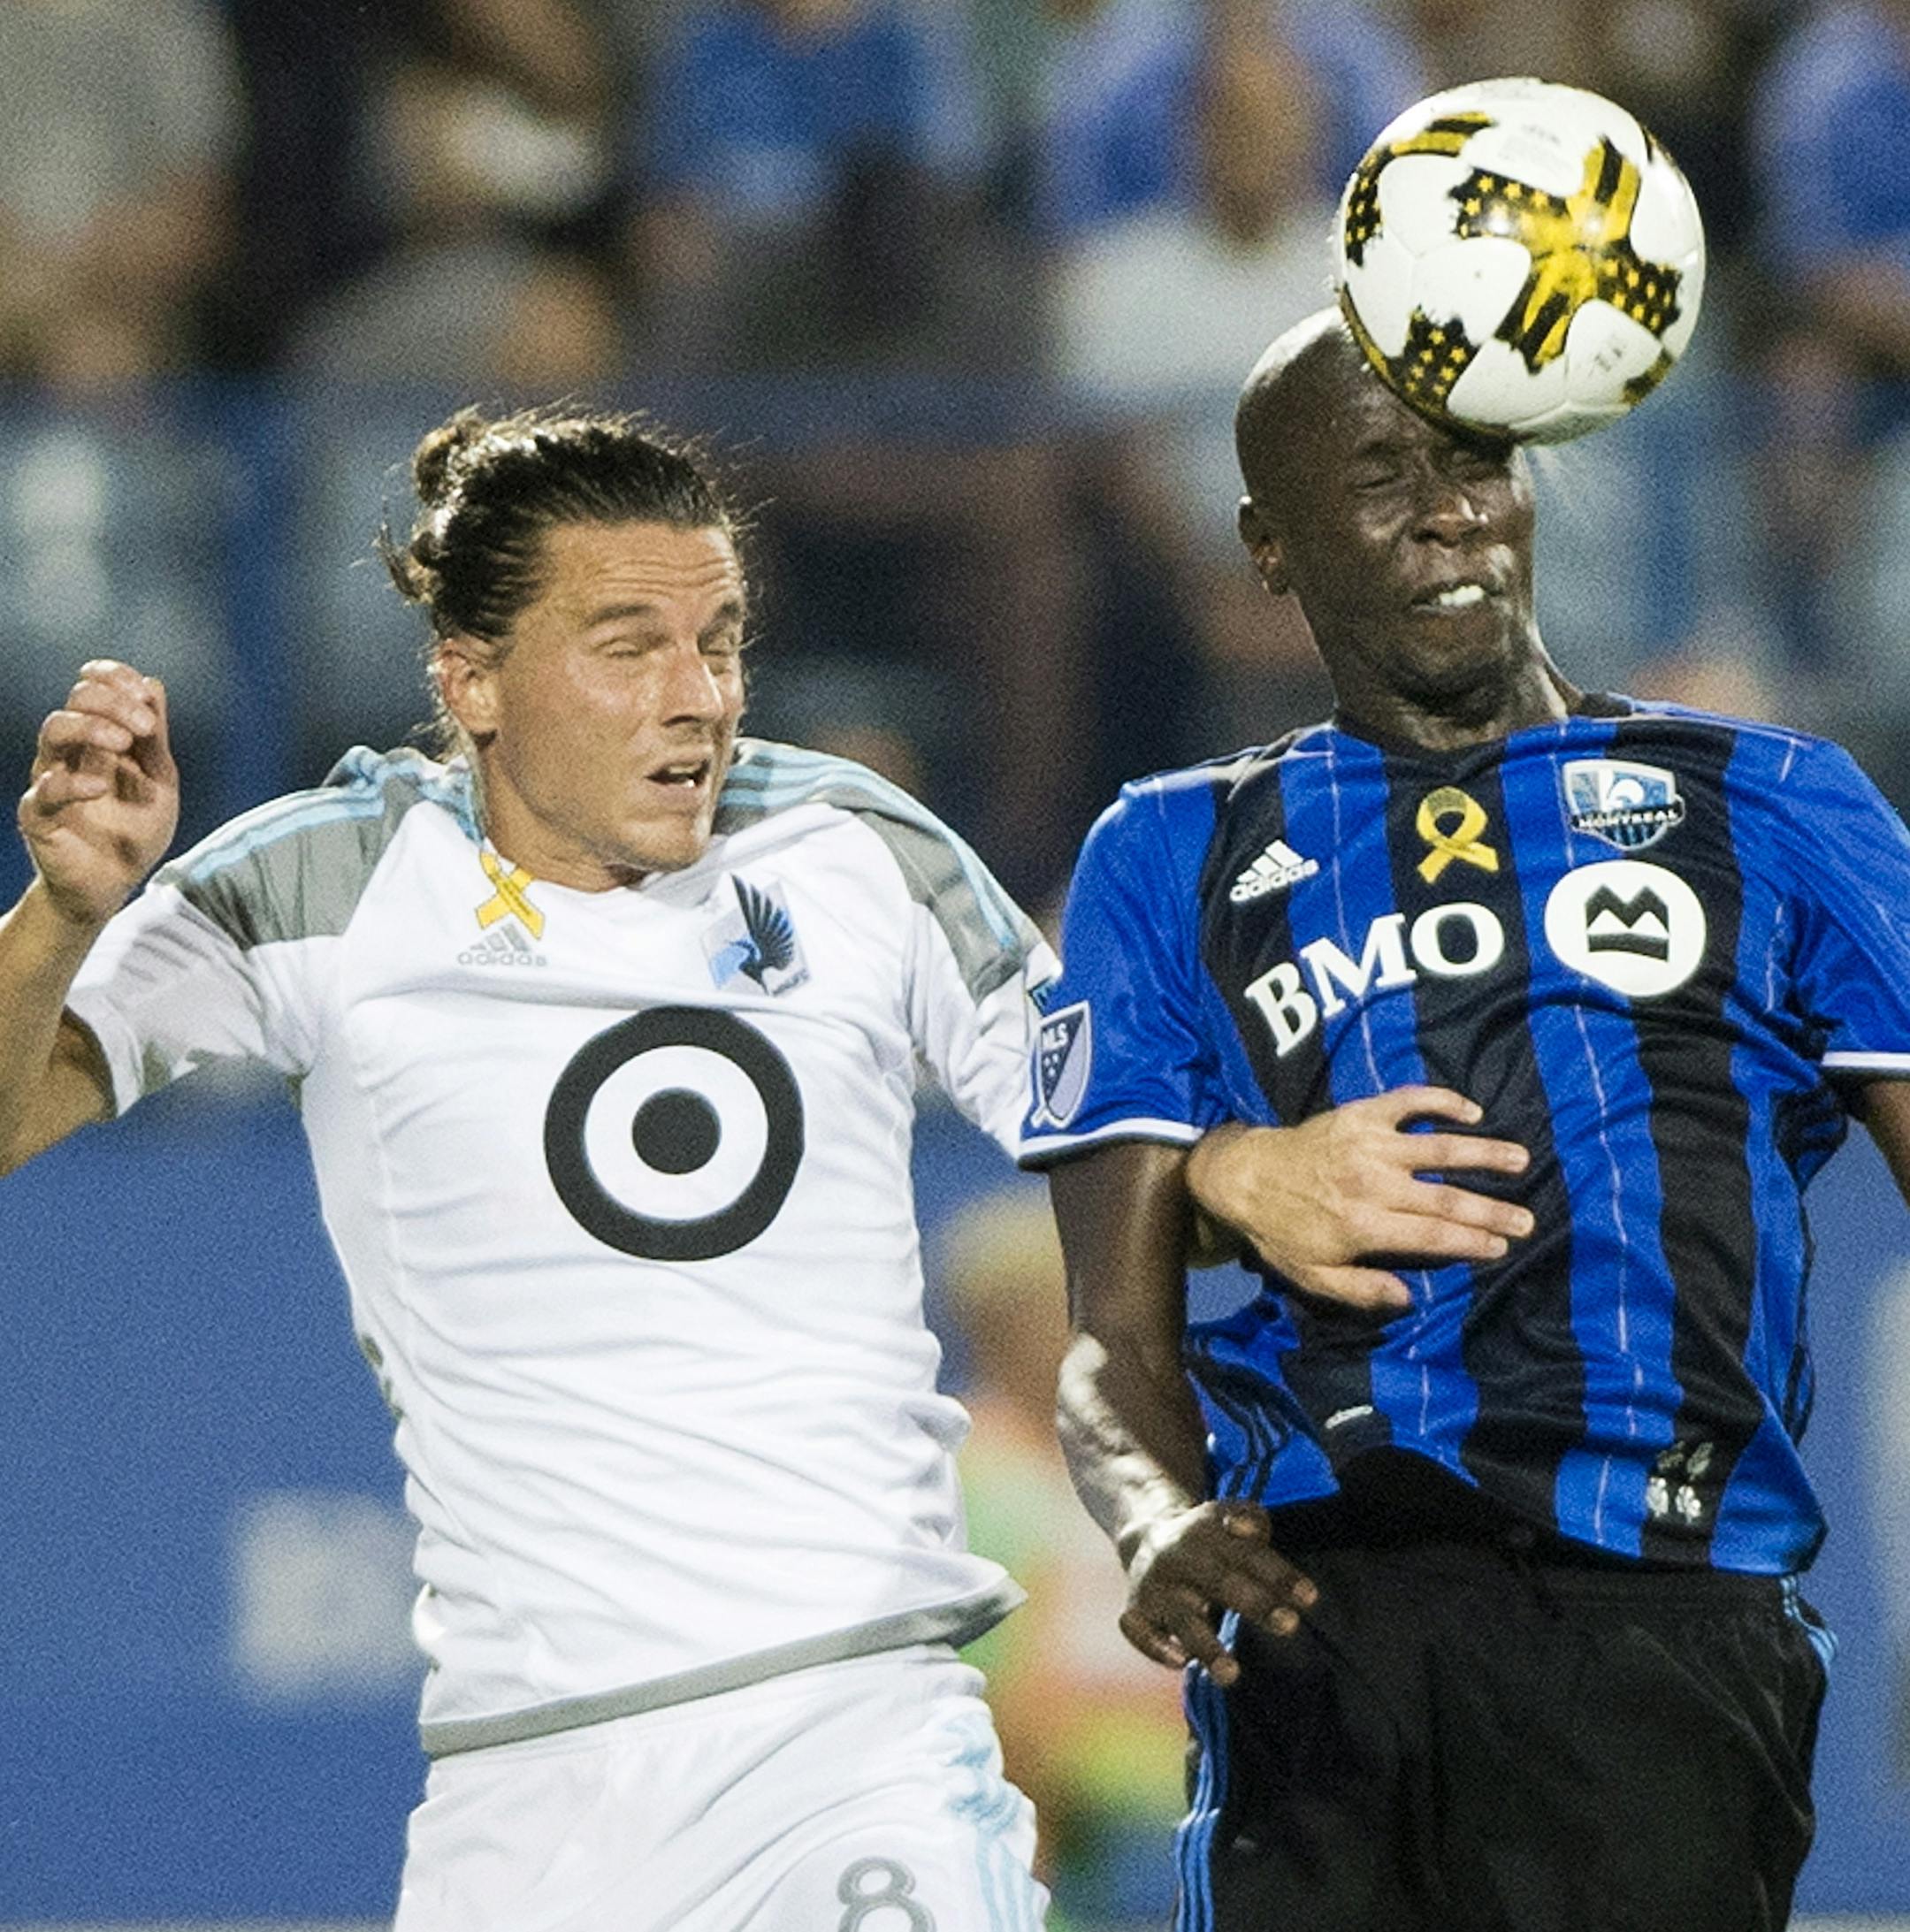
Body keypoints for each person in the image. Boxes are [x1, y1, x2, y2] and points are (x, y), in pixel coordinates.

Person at [0, 406, 1058, 1931]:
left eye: (722, 639)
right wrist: (65, 915)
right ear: (471, 678)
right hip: (531, 1800)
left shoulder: (850, 845)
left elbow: (1108, 1123)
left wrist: (1265, 1171)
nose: (695, 697)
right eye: (628, 646)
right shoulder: (330, 880)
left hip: (856, 1744)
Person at [1020, 306, 1910, 1932]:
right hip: (1317, 1619)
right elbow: (1107, 1334)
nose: (1447, 508)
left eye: (1477, 457)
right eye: (1379, 475)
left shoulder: (1777, 802)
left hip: (1659, 1616)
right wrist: (1150, 1518)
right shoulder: (1168, 852)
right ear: (1269, 548)